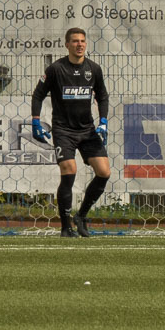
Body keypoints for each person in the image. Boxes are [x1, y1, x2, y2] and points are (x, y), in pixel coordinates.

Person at [31, 27, 111, 238]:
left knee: (104, 172)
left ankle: (81, 216)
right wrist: (36, 122)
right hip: (63, 130)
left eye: (82, 41)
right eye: (75, 41)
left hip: (87, 130)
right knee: (69, 170)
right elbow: (38, 95)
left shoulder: (93, 69)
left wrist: (103, 121)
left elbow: (102, 96)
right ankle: (65, 227)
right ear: (67, 44)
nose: (79, 44)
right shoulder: (56, 69)